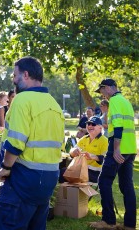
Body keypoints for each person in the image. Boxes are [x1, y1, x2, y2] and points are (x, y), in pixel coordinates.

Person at [0, 56, 64, 230]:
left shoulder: (21, 100)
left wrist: (6, 167)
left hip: (23, 179)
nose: (13, 79)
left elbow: (16, 143)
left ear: (25, 74)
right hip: (48, 179)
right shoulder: (54, 104)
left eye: (15, 74)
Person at [89, 79, 137, 230]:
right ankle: (129, 224)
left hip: (118, 148)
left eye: (102, 90)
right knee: (127, 186)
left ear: (109, 88)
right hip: (130, 149)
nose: (102, 95)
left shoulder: (115, 100)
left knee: (104, 180)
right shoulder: (126, 102)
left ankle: (108, 221)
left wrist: (115, 149)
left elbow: (118, 126)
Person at [59, 116, 108, 183]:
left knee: (71, 175)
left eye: (93, 124)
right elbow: (71, 153)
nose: (90, 126)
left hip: (95, 173)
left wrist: (92, 156)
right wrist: (73, 151)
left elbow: (105, 159)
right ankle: (67, 192)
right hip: (80, 169)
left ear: (100, 127)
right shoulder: (84, 138)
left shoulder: (105, 141)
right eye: (88, 124)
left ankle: (73, 192)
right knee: (62, 172)